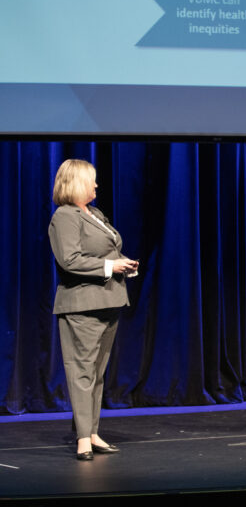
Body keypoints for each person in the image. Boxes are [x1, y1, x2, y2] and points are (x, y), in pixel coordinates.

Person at [49, 159, 139, 460]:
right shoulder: (65, 216)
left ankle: (92, 432)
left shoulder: (95, 214)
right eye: (92, 180)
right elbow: (70, 260)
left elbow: (108, 250)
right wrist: (110, 266)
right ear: (76, 183)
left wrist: (123, 264)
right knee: (82, 373)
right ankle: (82, 440)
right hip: (82, 305)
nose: (96, 185)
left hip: (109, 300)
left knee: (97, 374)